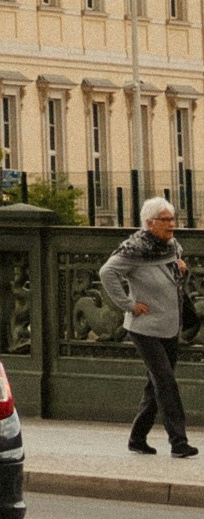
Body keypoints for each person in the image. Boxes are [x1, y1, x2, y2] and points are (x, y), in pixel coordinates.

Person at [101, 196, 197, 458]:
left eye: (172, 219)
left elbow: (175, 281)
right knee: (166, 382)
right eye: (165, 220)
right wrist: (129, 304)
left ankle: (137, 438)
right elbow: (106, 272)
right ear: (149, 223)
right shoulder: (133, 250)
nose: (171, 225)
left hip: (169, 325)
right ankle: (179, 442)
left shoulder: (172, 246)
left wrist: (184, 271)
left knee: (155, 384)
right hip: (144, 327)